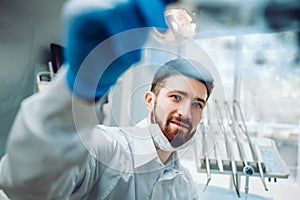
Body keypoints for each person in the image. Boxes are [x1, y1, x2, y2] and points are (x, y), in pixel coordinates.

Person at [0, 0, 214, 199]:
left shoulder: (185, 187)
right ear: (150, 100)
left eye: (197, 104)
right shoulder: (106, 147)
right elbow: (27, 187)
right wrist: (79, 85)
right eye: (176, 97)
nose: (186, 113)